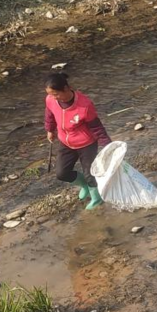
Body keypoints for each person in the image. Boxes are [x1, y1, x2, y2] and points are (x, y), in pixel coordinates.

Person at [43, 72, 111, 209]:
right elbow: (49, 114)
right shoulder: (50, 100)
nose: (53, 97)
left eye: (56, 94)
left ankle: (96, 198)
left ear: (66, 88)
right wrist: (50, 130)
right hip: (66, 142)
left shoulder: (84, 105)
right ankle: (84, 186)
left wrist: (108, 146)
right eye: (50, 94)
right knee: (62, 173)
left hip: (87, 144)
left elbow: (97, 127)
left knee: (90, 173)